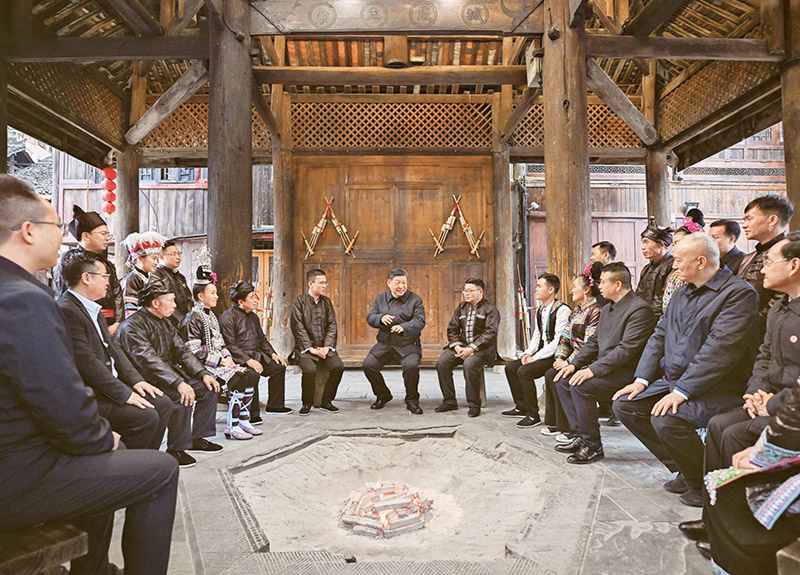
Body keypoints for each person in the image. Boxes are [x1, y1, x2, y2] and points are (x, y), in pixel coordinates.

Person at [0, 174, 178, 575]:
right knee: (159, 471)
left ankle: (93, 567)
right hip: (16, 472)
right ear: (28, 231)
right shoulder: (25, 299)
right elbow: (59, 398)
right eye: (57, 226)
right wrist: (100, 437)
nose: (63, 238)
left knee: (117, 454)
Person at [612, 233, 759, 507]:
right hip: (677, 380)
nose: (674, 265)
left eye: (679, 260)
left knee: (668, 419)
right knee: (626, 405)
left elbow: (719, 351)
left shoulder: (738, 294)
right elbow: (659, 335)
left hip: (719, 386)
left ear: (701, 262)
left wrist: (681, 391)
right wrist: (642, 379)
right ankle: (687, 468)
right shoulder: (682, 292)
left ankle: (704, 483)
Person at [704, 232, 800, 474]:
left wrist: (772, 404)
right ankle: (712, 492)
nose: (763, 270)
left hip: (791, 408)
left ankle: (740, 495)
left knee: (734, 434)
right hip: (769, 399)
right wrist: (755, 393)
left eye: (769, 262)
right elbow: (765, 355)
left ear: (793, 266)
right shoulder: (779, 308)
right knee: (717, 425)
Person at [58, 250, 173, 450]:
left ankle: (147, 460)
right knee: (146, 417)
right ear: (86, 278)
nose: (108, 282)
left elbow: (114, 349)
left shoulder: (93, 309)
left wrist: (136, 381)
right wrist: (124, 394)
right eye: (104, 276)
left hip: (111, 384)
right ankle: (128, 463)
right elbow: (87, 362)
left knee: (163, 403)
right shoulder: (68, 310)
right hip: (92, 392)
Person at [680, 386, 800, 575]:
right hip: (777, 404)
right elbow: (764, 367)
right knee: (719, 426)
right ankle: (715, 530)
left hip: (783, 410)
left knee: (731, 488)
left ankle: (735, 547)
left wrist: (762, 455)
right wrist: (755, 397)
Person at [553, 262, 656, 464]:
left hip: (627, 373)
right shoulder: (608, 308)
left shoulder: (640, 310)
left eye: (602, 282)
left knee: (581, 387)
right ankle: (580, 435)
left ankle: (592, 446)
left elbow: (626, 350)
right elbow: (594, 342)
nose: (598, 286)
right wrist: (574, 364)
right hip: (607, 368)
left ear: (617, 284)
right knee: (563, 380)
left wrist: (592, 370)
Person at [116, 278, 223, 468]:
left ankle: (198, 438)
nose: (175, 305)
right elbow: (148, 360)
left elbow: (182, 351)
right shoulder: (131, 326)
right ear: (155, 303)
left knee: (208, 387)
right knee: (182, 396)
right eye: (171, 300)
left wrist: (203, 373)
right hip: (145, 379)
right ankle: (176, 449)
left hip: (167, 375)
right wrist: (178, 383)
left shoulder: (165, 323)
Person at [183, 265, 262, 440]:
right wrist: (220, 361)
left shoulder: (211, 315)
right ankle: (232, 425)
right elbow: (193, 352)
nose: (216, 296)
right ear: (200, 296)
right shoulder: (192, 318)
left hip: (218, 361)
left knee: (251, 375)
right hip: (202, 366)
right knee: (239, 378)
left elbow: (221, 342)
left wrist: (227, 356)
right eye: (212, 293)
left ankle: (243, 420)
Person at [501, 273, 570, 426]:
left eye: (539, 286)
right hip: (542, 352)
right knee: (511, 367)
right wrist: (527, 353)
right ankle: (521, 406)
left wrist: (535, 358)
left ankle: (533, 415)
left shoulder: (562, 310)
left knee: (524, 371)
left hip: (556, 356)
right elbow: (536, 336)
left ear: (551, 289)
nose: (536, 289)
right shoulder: (540, 310)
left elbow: (558, 342)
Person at [540, 267, 601, 438]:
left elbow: (589, 345)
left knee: (562, 378)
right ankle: (558, 423)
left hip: (588, 361)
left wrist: (569, 363)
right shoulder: (577, 310)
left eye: (575, 286)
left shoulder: (595, 311)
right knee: (551, 374)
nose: (571, 290)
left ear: (586, 290)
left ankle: (573, 428)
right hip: (573, 359)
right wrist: (560, 357)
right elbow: (565, 338)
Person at [219, 281, 291, 419]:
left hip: (257, 355)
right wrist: (248, 361)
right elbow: (230, 345)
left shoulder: (253, 316)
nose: (256, 300)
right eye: (252, 297)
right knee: (252, 374)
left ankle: (275, 406)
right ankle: (252, 413)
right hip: (239, 358)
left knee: (278, 367)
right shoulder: (227, 318)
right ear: (241, 301)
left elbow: (262, 339)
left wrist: (273, 354)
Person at [363, 268, 427, 414]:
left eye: (404, 283)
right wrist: (380, 318)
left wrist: (404, 327)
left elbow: (420, 321)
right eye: (397, 282)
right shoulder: (380, 298)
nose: (401, 286)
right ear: (389, 283)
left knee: (411, 366)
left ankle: (412, 400)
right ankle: (383, 395)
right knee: (368, 365)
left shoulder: (415, 300)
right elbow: (370, 317)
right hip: (385, 344)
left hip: (408, 345)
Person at [53, 205, 124, 334]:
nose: (107, 238)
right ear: (86, 235)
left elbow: (117, 294)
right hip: (82, 322)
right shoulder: (67, 260)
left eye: (108, 234)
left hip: (111, 324)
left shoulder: (106, 263)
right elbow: (64, 293)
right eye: (103, 233)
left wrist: (117, 323)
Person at [436, 278, 500, 418]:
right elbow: (452, 329)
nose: (466, 293)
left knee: (469, 364)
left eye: (470, 291)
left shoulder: (490, 309)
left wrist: (471, 349)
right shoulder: (461, 307)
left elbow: (490, 333)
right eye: (465, 291)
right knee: (442, 362)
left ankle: (474, 404)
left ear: (480, 292)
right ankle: (449, 401)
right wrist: (457, 346)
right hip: (462, 347)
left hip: (482, 350)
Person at [737, 194, 794, 340]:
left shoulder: (789, 254)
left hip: (765, 334)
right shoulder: (748, 257)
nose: (744, 225)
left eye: (749, 219)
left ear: (772, 220)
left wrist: (748, 327)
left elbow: (782, 297)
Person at [290, 268, 345, 415]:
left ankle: (326, 400)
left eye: (325, 283)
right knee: (309, 370)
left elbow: (332, 325)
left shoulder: (326, 302)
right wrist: (311, 349)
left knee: (338, 367)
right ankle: (307, 403)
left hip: (324, 348)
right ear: (310, 283)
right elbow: (298, 328)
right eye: (321, 283)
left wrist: (327, 347)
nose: (324, 286)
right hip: (305, 349)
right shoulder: (299, 302)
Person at [661, 208, 705, 314]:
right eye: (674, 244)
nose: (675, 247)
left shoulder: (697, 273)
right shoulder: (674, 271)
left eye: (678, 242)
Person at [120, 231, 167, 318]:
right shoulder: (130, 280)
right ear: (140, 258)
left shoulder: (154, 278)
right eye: (154, 258)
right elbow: (130, 313)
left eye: (157, 259)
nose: (156, 262)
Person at [636, 217, 674, 320]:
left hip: (660, 320)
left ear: (661, 244)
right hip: (644, 317)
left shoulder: (672, 265)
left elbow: (663, 298)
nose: (643, 247)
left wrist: (646, 318)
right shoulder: (646, 269)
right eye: (642, 242)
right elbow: (638, 294)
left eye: (646, 242)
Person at [152, 239, 192, 329]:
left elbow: (189, 298)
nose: (178, 257)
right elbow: (162, 301)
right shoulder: (157, 275)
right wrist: (181, 320)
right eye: (173, 254)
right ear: (161, 257)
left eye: (178, 254)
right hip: (168, 323)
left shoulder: (180, 276)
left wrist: (189, 317)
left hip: (186, 321)